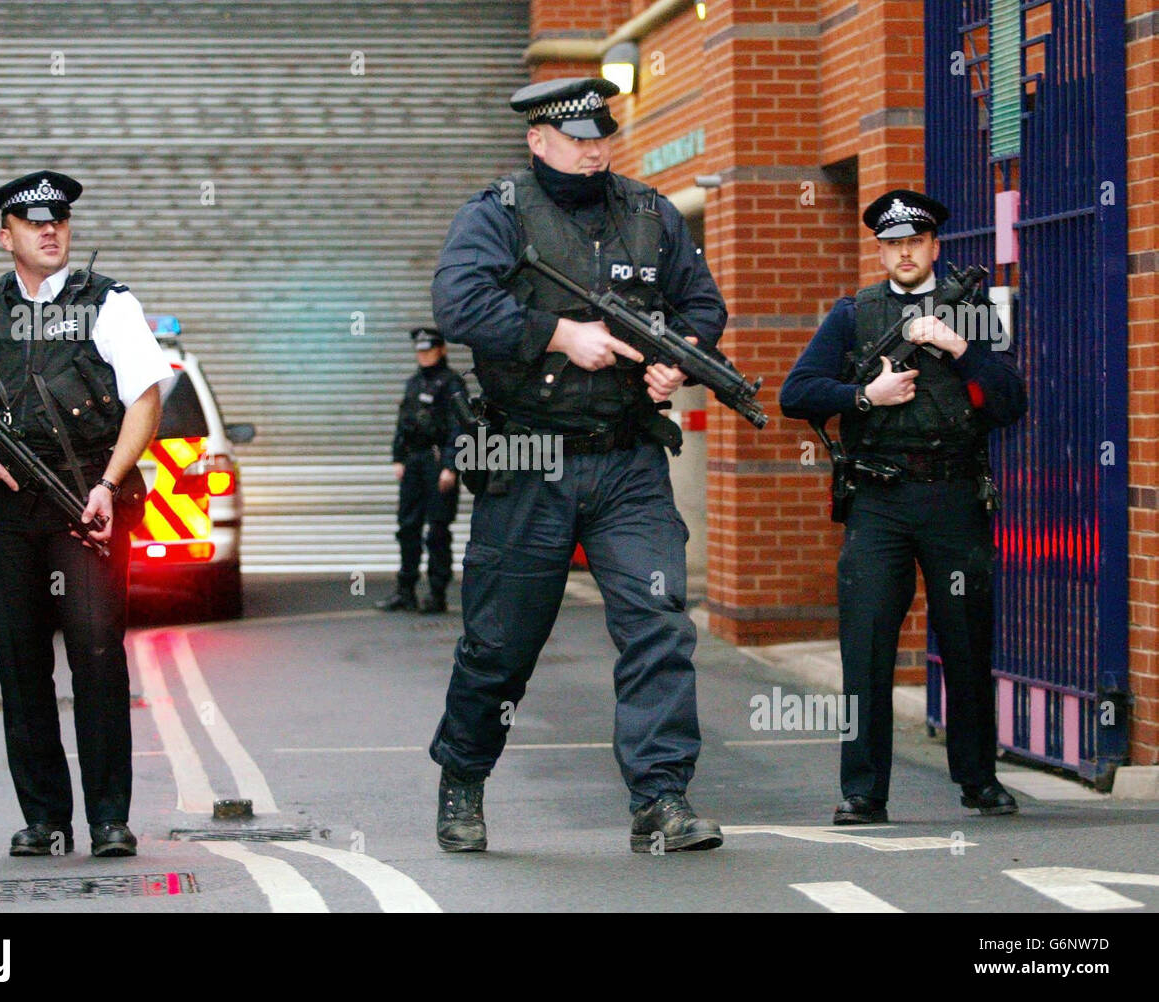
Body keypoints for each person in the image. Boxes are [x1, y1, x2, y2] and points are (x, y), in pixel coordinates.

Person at [427, 77, 729, 853]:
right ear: (538, 140)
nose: (594, 151)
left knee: (658, 622)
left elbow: (702, 307)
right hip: (529, 453)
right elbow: (460, 305)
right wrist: (560, 334)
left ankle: (661, 799)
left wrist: (677, 364)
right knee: (501, 642)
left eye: (602, 137)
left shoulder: (651, 212)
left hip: (627, 456)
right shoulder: (496, 212)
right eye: (578, 138)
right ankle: (463, 775)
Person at [0, 171, 171, 857]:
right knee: (20, 662)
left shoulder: (107, 303)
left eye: (58, 219)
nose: (50, 229)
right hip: (3, 506)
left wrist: (110, 483)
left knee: (95, 654)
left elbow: (146, 398)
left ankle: (110, 818)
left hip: (83, 497)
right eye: (33, 223)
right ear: (7, 237)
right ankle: (45, 819)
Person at [779, 189, 1028, 825]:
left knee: (968, 643)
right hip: (880, 501)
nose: (904, 253)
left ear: (934, 247)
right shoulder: (855, 314)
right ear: (880, 250)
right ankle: (863, 792)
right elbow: (797, 393)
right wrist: (867, 395)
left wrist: (955, 345)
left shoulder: (969, 310)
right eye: (892, 243)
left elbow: (1010, 402)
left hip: (953, 497)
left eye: (914, 242)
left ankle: (979, 781)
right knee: (865, 648)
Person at [376, 326, 466, 614]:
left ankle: (437, 594)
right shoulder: (413, 383)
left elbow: (459, 427)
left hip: (438, 462)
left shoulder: (453, 384)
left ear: (441, 350)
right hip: (414, 463)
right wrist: (398, 458)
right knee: (407, 527)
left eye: (428, 350)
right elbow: (403, 423)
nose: (424, 356)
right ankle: (405, 591)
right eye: (420, 351)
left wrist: (451, 466)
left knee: (438, 530)